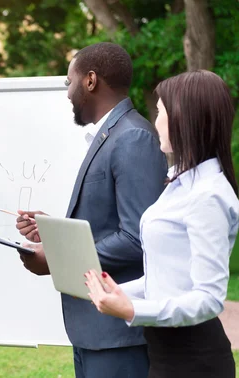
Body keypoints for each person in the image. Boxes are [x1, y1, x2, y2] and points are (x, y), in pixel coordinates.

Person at [15, 42, 168, 378]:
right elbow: (104, 221)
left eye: (70, 82)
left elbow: (136, 237)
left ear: (90, 80)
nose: (68, 92)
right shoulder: (111, 135)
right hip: (95, 333)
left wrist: (57, 258)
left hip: (118, 336)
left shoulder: (132, 138)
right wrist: (54, 232)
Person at [86, 70, 238, 378]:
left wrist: (133, 310)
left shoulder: (207, 195)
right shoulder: (180, 183)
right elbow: (169, 276)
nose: (156, 122)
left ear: (184, 119)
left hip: (195, 361)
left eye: (160, 112)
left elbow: (209, 298)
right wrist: (119, 291)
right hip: (164, 354)